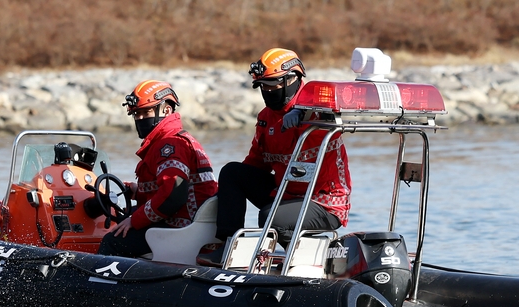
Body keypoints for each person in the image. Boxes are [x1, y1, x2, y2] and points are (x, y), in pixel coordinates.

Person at [215, 48, 351, 248]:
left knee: (270, 218)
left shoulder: (319, 111)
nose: (268, 91)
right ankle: (226, 246)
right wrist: (223, 195)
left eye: (273, 85)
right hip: (285, 193)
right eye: (263, 86)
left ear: (292, 80)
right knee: (232, 173)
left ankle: (304, 261)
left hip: (323, 202)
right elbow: (256, 163)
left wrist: (302, 111)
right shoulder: (265, 118)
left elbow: (329, 109)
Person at [96, 80, 218, 258]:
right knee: (124, 218)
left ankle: (97, 283)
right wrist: (138, 193)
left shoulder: (169, 145)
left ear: (166, 110)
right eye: (136, 114)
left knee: (112, 241)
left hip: (182, 229)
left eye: (145, 112)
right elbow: (172, 188)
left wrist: (134, 220)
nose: (139, 119)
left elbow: (173, 196)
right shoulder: (176, 139)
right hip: (193, 225)